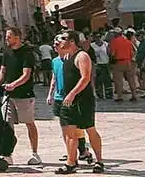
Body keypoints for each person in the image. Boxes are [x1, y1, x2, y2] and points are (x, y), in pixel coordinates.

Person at [53, 31, 104, 174]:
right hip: (68, 101)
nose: (60, 41)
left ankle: (99, 161)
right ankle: (71, 163)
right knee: (69, 131)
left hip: (83, 100)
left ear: (72, 42)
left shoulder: (82, 56)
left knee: (90, 129)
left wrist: (72, 94)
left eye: (63, 39)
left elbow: (85, 77)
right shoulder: (66, 57)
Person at [0, 26, 41, 166]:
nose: (6, 38)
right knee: (7, 125)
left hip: (24, 94)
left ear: (17, 37)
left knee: (29, 123)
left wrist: (14, 84)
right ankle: (7, 154)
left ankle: (35, 153)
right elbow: (3, 70)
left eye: (9, 36)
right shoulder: (7, 52)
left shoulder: (27, 53)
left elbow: (26, 75)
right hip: (8, 95)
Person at [47, 38, 92, 164]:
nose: (55, 46)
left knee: (77, 127)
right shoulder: (55, 61)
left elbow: (85, 77)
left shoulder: (72, 59)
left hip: (72, 97)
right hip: (59, 97)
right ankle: (70, 153)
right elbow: (54, 78)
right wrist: (50, 94)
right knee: (65, 128)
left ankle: (82, 150)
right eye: (54, 44)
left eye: (57, 44)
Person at [108, 29, 138, 102]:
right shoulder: (128, 42)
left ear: (116, 34)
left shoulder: (114, 42)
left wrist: (111, 62)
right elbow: (133, 53)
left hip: (118, 62)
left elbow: (112, 53)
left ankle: (120, 97)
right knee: (131, 80)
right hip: (128, 62)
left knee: (118, 81)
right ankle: (134, 95)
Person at [90, 33, 111, 99]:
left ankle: (109, 94)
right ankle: (100, 94)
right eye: (96, 37)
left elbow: (109, 53)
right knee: (98, 81)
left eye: (99, 37)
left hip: (106, 63)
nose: (98, 39)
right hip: (97, 64)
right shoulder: (92, 45)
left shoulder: (106, 44)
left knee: (107, 80)